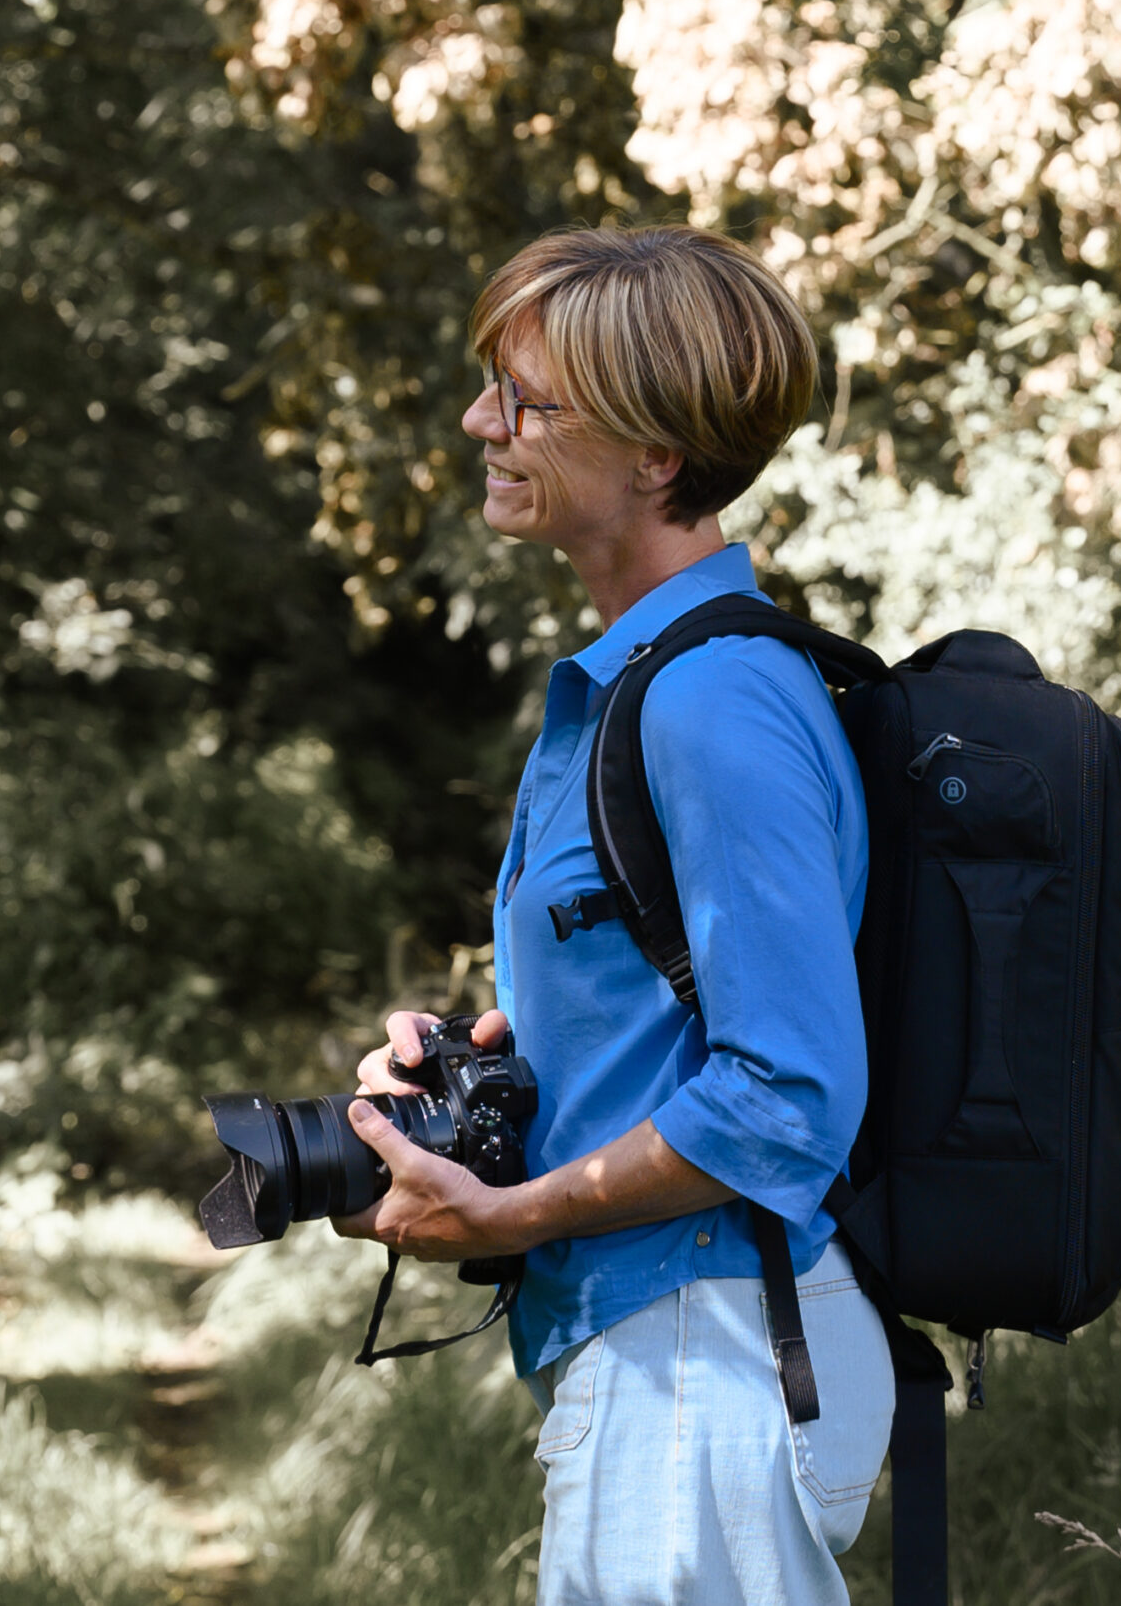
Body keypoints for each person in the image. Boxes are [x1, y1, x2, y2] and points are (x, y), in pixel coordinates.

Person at [331, 223, 894, 1606]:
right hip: (666, 1352)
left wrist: (511, 1211)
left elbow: (784, 1096)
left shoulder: (712, 699)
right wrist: (480, 1082)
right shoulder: (633, 688)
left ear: (655, 455)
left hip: (706, 1357)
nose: (481, 421)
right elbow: (677, 1026)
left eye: (526, 400)